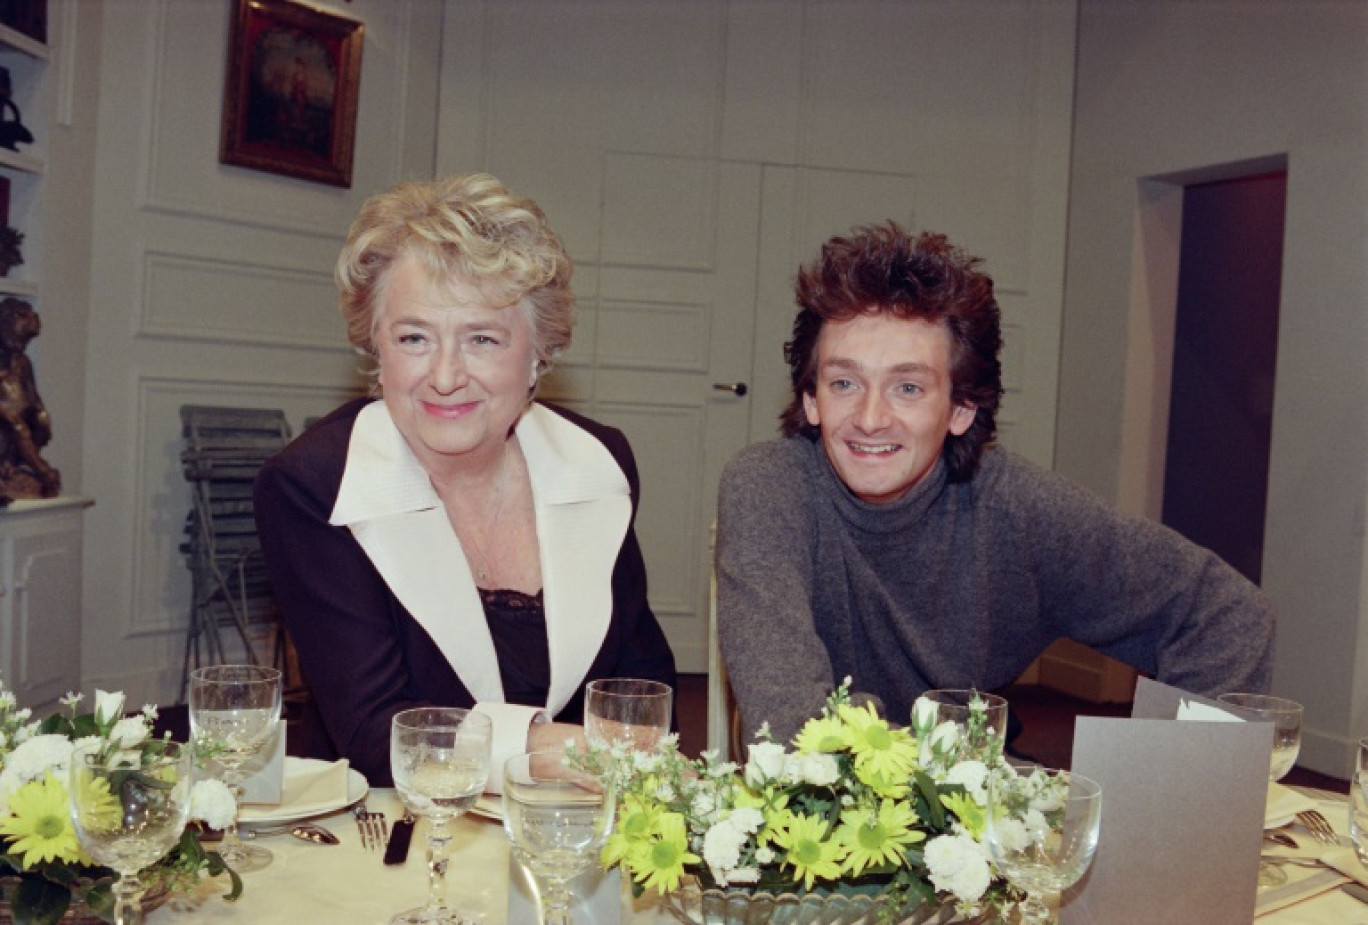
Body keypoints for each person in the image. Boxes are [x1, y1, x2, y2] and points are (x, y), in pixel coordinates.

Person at [715, 222, 1274, 744]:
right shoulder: (769, 488)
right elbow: (792, 727)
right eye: (844, 382)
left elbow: (1224, 614)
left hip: (974, 814)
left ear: (960, 409)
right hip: (822, 826)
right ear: (811, 400)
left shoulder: (1014, 508)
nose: (869, 417)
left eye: (908, 388)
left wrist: (1168, 787)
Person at [254, 173, 676, 787]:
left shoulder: (596, 463)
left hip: (570, 821)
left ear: (539, 354)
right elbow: (377, 734)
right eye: (414, 338)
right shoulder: (313, 487)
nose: (445, 376)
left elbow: (639, 686)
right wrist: (562, 747)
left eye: (482, 338)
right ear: (375, 346)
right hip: (393, 833)